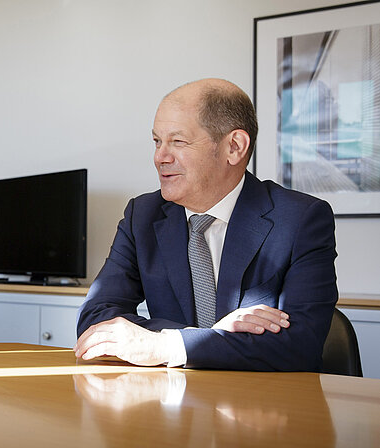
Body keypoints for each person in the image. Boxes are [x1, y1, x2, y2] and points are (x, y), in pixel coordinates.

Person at [74, 78, 337, 371]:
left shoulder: (300, 219)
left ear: (234, 147)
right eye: (157, 141)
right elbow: (96, 319)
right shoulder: (143, 216)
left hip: (261, 405)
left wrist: (165, 345)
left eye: (178, 141)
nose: (160, 157)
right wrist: (202, 338)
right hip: (171, 402)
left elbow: (302, 345)